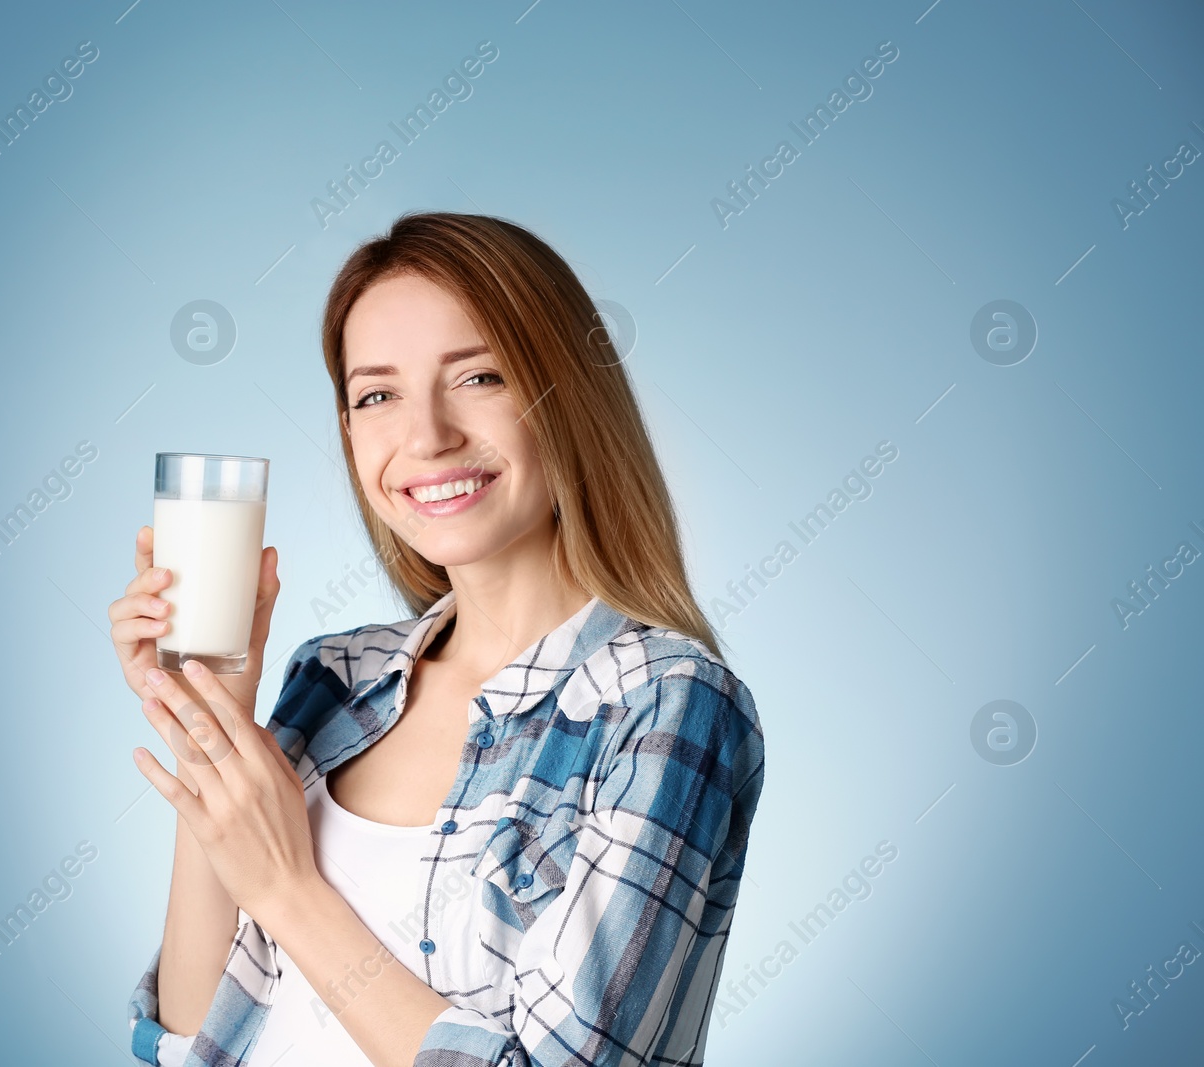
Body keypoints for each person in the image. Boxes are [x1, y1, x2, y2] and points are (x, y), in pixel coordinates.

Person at [108, 211, 764, 1066]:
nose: (426, 436)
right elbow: (193, 1041)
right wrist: (213, 725)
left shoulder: (665, 706)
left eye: (480, 377)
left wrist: (288, 887)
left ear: (566, 394)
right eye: (376, 394)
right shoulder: (335, 678)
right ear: (349, 429)